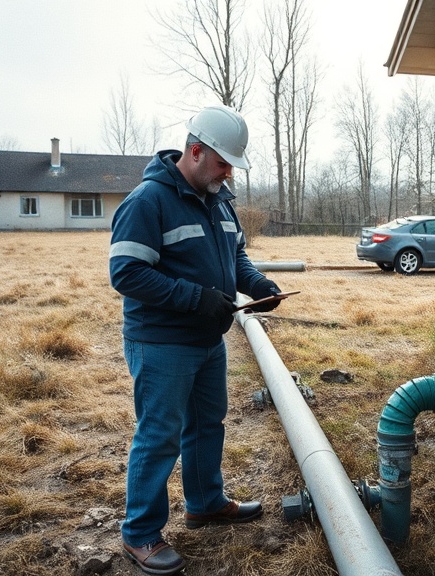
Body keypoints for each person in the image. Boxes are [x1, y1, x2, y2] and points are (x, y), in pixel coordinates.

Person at [109, 105, 283, 575]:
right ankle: (140, 534)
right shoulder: (148, 201)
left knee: (208, 423)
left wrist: (258, 285)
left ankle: (205, 503)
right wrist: (195, 298)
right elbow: (126, 273)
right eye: (223, 163)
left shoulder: (219, 200)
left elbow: (235, 256)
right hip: (161, 342)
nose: (229, 174)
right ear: (195, 151)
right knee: (159, 435)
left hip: (208, 339)